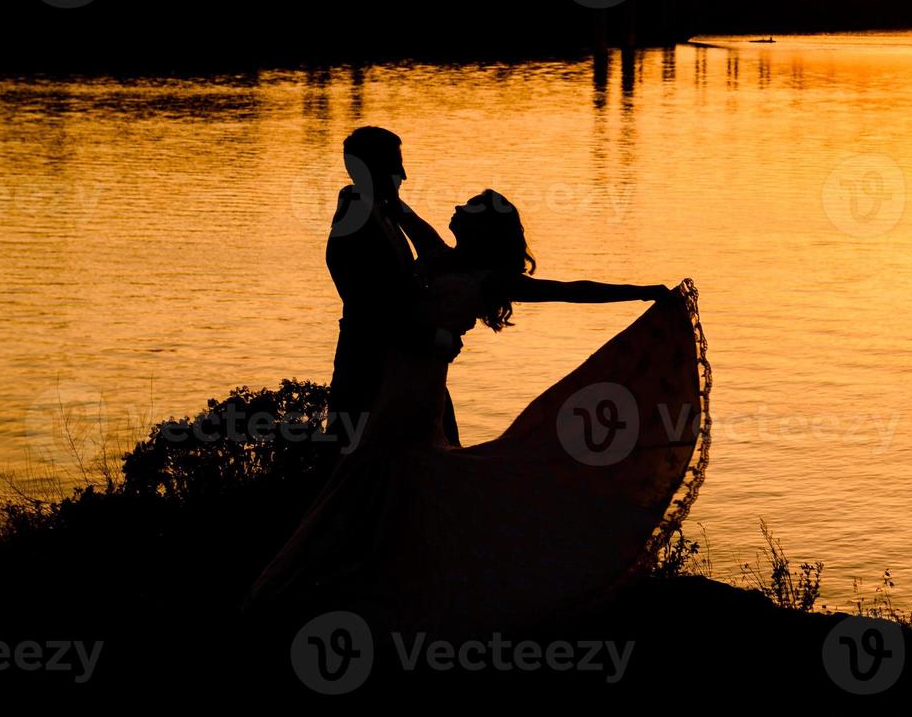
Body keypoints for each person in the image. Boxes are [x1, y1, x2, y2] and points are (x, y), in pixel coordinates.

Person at [246, 189, 710, 638]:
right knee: (387, 464)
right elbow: (405, 217)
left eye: (466, 207)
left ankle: (371, 577)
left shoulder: (490, 278)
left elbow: (569, 290)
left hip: (417, 388)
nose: (454, 207)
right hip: (395, 378)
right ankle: (382, 569)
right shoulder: (443, 255)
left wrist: (642, 291)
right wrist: (380, 193)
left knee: (386, 461)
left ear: (481, 228)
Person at [324, 127, 460, 452]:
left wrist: (398, 206)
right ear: (373, 169)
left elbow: (438, 255)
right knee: (361, 463)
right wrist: (435, 339)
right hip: (370, 367)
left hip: (401, 361)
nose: (404, 175)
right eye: (396, 165)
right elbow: (373, 308)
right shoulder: (358, 219)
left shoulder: (379, 210)